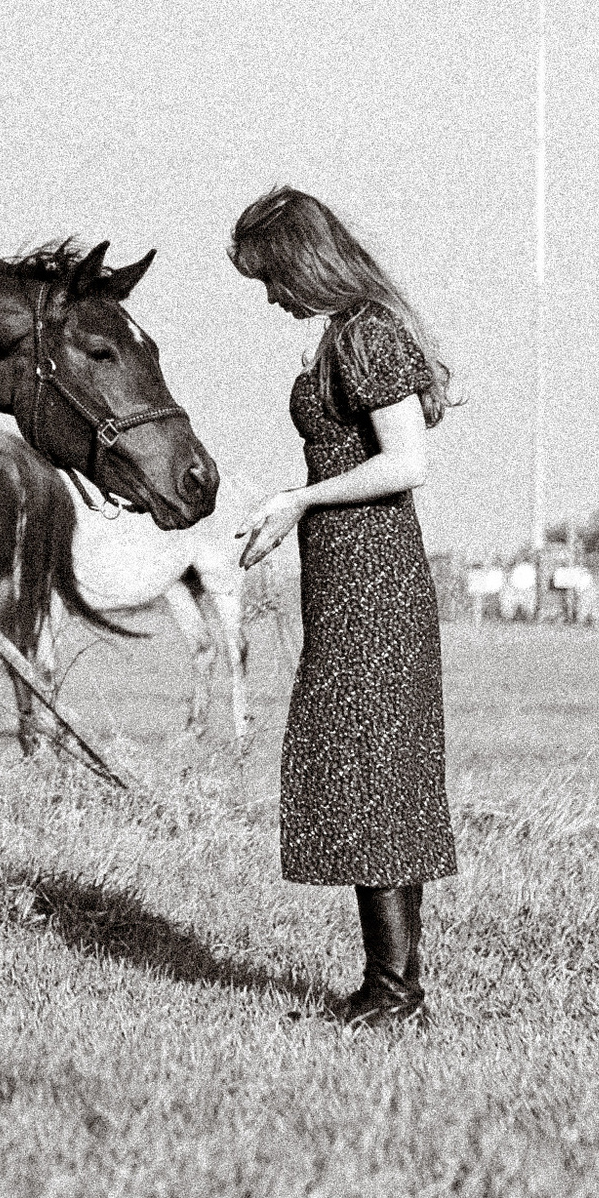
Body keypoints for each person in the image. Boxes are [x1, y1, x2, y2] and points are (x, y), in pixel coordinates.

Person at [229, 186, 456, 1027]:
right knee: (372, 774)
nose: (270, 297)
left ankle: (395, 995)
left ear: (304, 264)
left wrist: (298, 499)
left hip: (374, 583)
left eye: (271, 278)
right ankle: (390, 987)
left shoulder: (366, 334)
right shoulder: (348, 333)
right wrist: (294, 512)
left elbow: (406, 462)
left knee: (375, 777)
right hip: (349, 579)